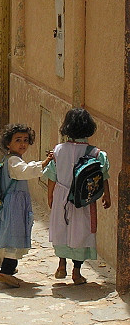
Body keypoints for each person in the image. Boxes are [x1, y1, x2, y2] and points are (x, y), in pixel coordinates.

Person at [44, 108, 111, 285]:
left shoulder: (58, 150)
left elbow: (52, 176)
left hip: (62, 196)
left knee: (62, 229)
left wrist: (50, 195)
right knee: (82, 232)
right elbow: (103, 175)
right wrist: (107, 195)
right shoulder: (96, 153)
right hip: (84, 200)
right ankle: (76, 272)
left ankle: (61, 264)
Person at [0, 124, 54, 288]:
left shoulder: (11, 159)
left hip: (14, 203)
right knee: (14, 235)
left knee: (11, 234)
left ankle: (8, 271)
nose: (23, 144)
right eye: (18, 140)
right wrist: (45, 162)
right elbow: (25, 171)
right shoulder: (13, 161)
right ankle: (6, 272)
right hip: (14, 204)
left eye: (26, 140)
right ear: (8, 143)